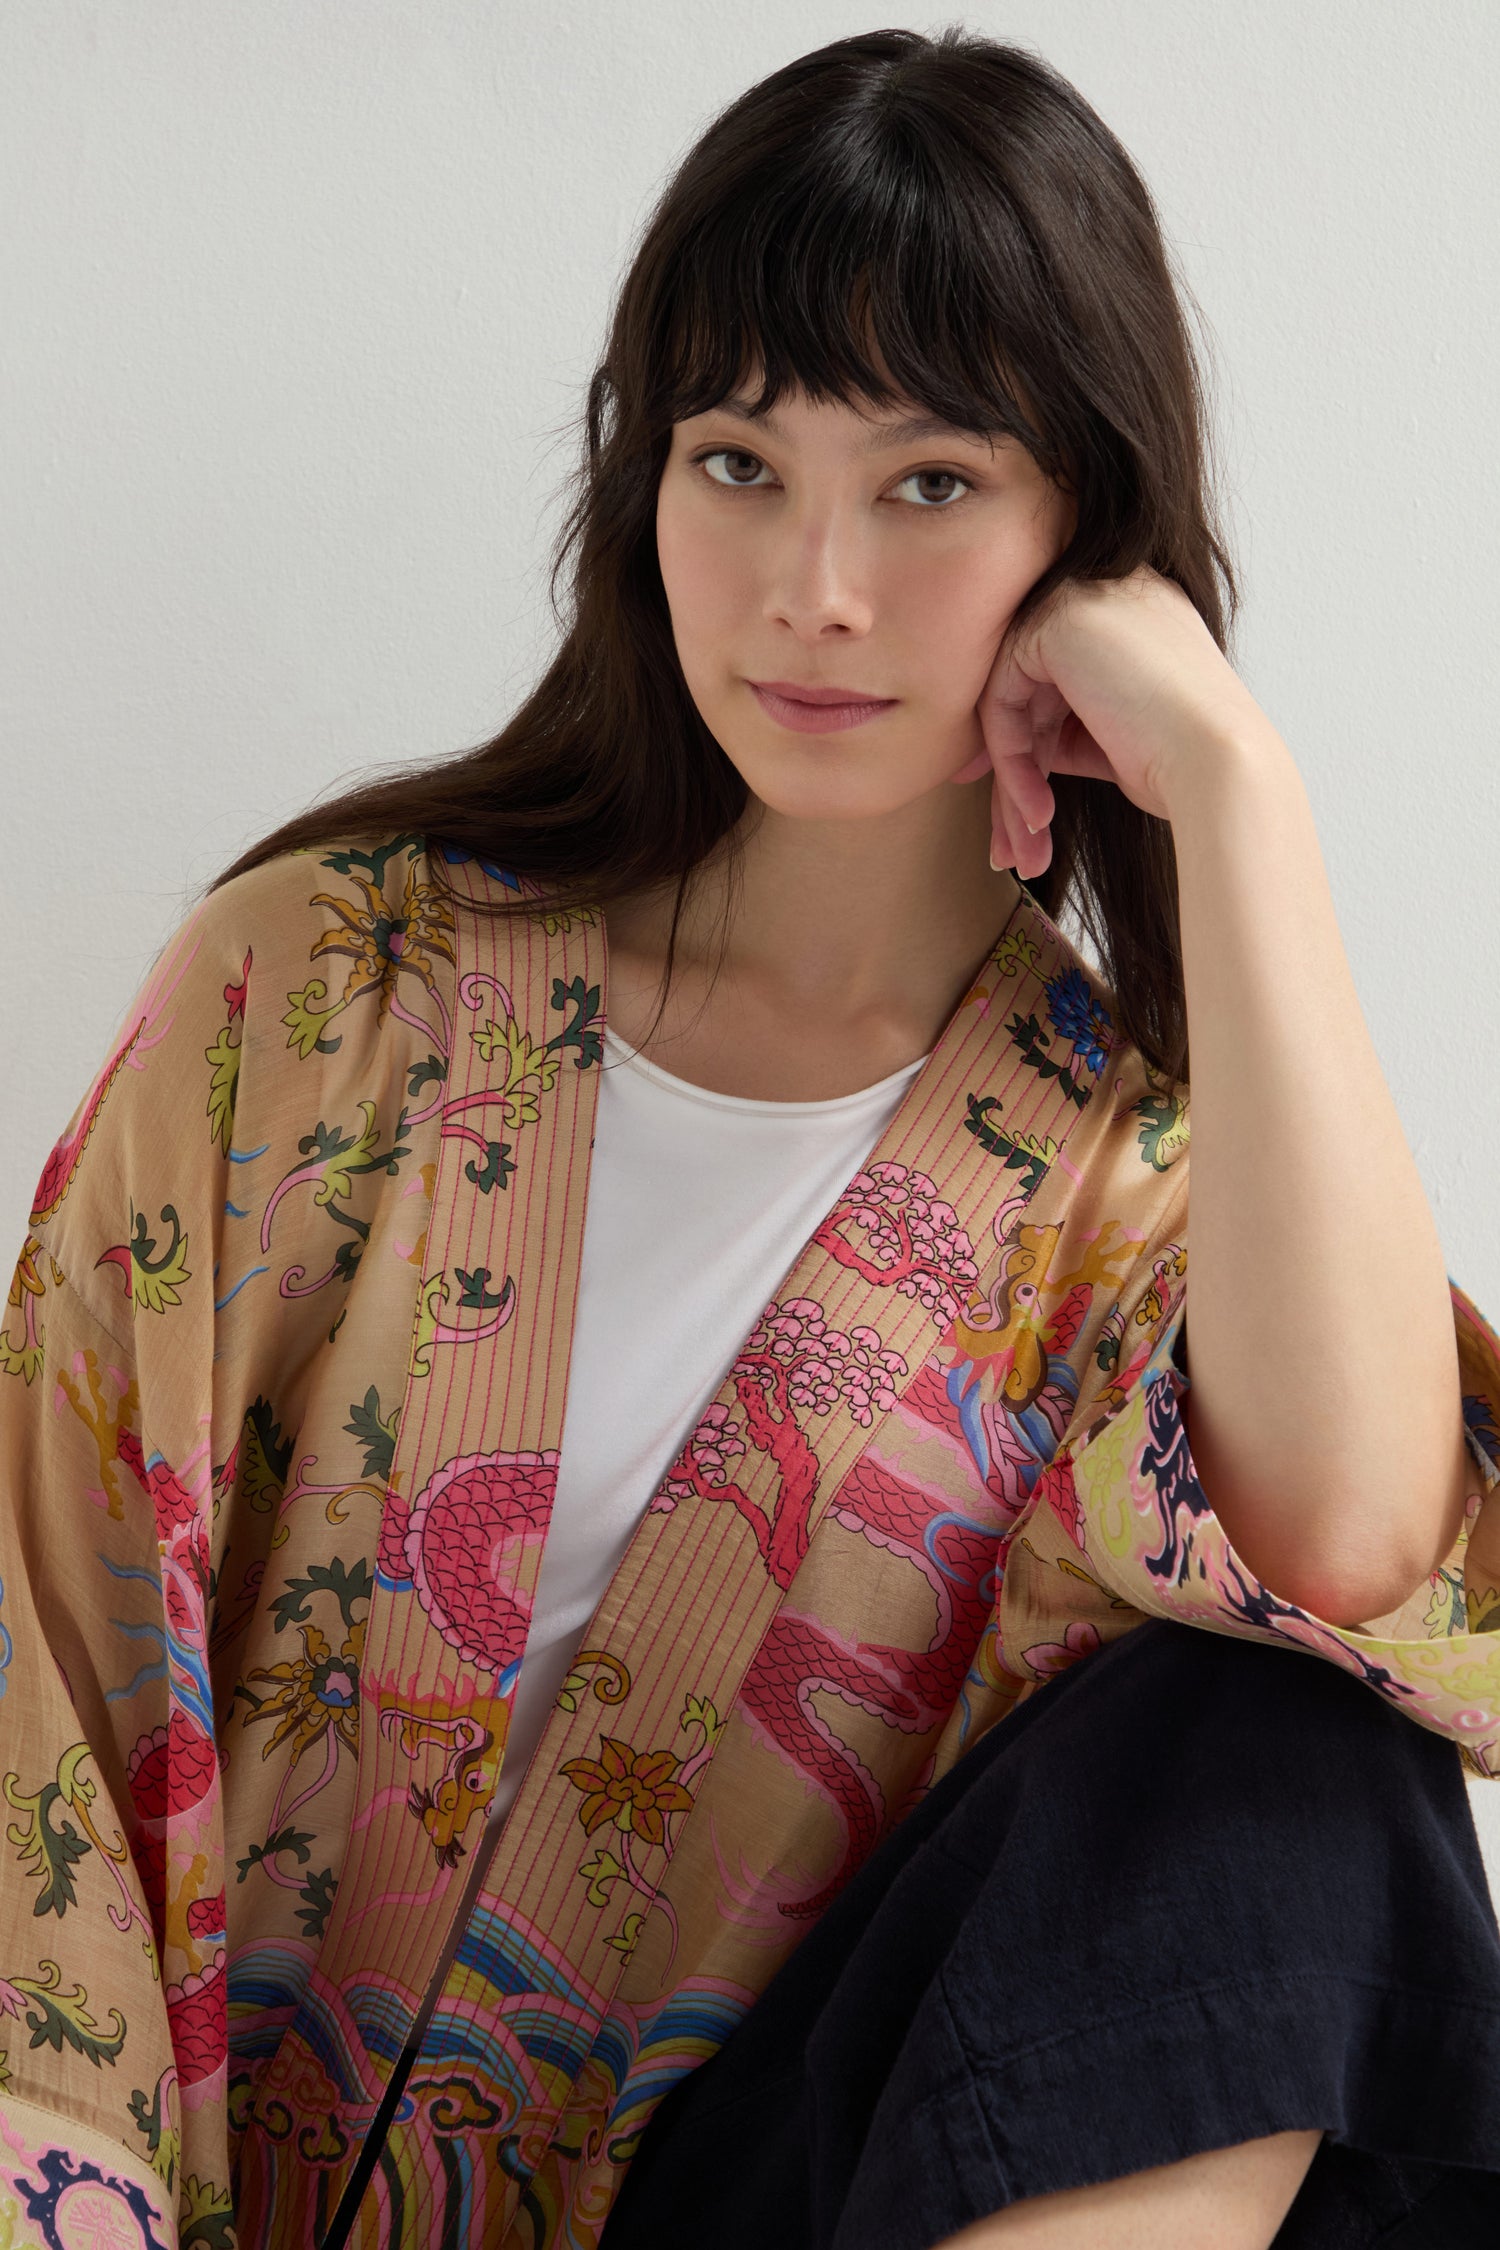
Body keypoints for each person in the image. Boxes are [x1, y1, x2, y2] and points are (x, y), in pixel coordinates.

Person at [3, 24, 1500, 2250]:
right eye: (736, 463)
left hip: (753, 2202)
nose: (814, 583)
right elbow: (46, 1629)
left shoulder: (1120, 1180)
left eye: (928, 484)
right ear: (643, 484)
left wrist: (1244, 798)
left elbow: (1362, 1544)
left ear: (1089, 535)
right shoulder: (325, 987)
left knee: (1311, 1755)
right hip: (200, 2194)